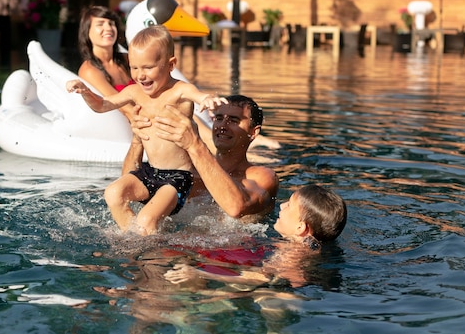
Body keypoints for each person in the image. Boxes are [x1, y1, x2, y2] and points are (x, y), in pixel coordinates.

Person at [66, 25, 228, 235]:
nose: (140, 75)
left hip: (178, 178)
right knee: (113, 194)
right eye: (134, 68)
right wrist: (85, 91)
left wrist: (208, 99)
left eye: (148, 67)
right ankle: (132, 239)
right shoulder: (134, 92)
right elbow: (102, 105)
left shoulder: (179, 91)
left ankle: (152, 253)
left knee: (146, 220)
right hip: (150, 171)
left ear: (170, 64)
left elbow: (198, 95)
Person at [127, 94, 279, 222]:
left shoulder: (262, 176)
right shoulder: (189, 170)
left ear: (253, 132)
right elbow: (129, 194)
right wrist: (137, 140)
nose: (222, 126)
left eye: (233, 120)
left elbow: (235, 208)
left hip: (235, 252)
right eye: (219, 118)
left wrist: (195, 145)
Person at [164, 184, 348, 288]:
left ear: (300, 227)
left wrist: (197, 272)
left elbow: (258, 278)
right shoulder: (304, 247)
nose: (282, 206)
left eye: (289, 205)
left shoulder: (293, 253)